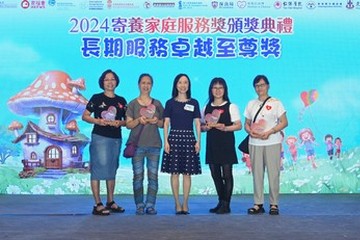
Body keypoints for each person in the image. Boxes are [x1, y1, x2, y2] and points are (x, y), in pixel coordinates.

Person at [82, 69, 127, 216]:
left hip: (116, 138)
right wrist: (98, 121)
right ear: (102, 82)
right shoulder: (96, 98)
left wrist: (119, 123)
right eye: (107, 79)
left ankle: (110, 201)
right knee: (98, 169)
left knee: (112, 168)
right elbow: (85, 116)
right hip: (100, 137)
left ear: (116, 82)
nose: (110, 82)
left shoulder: (121, 101)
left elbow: (127, 121)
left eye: (112, 79)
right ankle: (98, 203)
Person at [244, 74, 288, 215]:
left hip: (272, 142)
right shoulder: (251, 104)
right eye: (257, 86)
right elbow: (246, 123)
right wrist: (249, 131)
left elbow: (284, 122)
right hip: (255, 143)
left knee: (273, 173)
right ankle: (258, 203)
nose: (259, 88)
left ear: (268, 86)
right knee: (257, 174)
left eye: (262, 85)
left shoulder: (276, 103)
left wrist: (270, 131)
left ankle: (274, 204)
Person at [161, 73, 202, 215]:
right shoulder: (170, 103)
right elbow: (166, 123)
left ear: (189, 85)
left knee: (187, 173)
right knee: (174, 173)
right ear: (175, 85)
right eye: (180, 82)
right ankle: (177, 203)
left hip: (189, 139)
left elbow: (197, 123)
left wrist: (198, 141)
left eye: (185, 82)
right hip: (174, 139)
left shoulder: (194, 103)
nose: (183, 85)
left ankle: (185, 203)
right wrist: (166, 140)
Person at [201, 77, 242, 214]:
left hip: (226, 144)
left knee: (227, 174)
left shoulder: (231, 106)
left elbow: (238, 126)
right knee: (215, 174)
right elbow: (201, 127)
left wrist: (224, 127)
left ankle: (226, 204)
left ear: (225, 90)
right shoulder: (205, 107)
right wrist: (205, 128)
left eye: (220, 87)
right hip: (212, 144)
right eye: (215, 87)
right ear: (211, 90)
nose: (218, 91)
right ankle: (221, 201)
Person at [125, 73, 164, 215]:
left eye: (148, 83)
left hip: (154, 145)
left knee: (153, 176)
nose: (146, 86)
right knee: (138, 176)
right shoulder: (132, 104)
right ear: (138, 85)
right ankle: (139, 205)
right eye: (143, 83)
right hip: (137, 146)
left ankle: (150, 205)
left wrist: (156, 121)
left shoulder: (157, 104)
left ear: (152, 86)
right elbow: (128, 124)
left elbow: (163, 124)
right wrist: (139, 120)